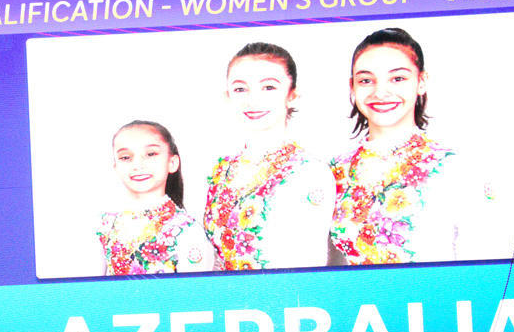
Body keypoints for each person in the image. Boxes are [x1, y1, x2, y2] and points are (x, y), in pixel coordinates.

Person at [329, 27, 477, 264]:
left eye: (397, 78)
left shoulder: (454, 166)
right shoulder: (334, 171)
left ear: (421, 82)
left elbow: (487, 270)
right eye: (366, 80)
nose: (381, 92)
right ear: (352, 88)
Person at [203, 43, 335, 269]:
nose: (253, 100)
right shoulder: (220, 170)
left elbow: (310, 264)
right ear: (227, 96)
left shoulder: (309, 171)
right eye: (240, 89)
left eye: (269, 87)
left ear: (292, 95)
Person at [97, 120, 213, 275]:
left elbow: (195, 293)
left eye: (150, 154)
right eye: (125, 157)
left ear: (172, 163)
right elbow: (89, 289)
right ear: (115, 167)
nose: (137, 165)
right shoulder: (105, 227)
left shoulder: (186, 231)